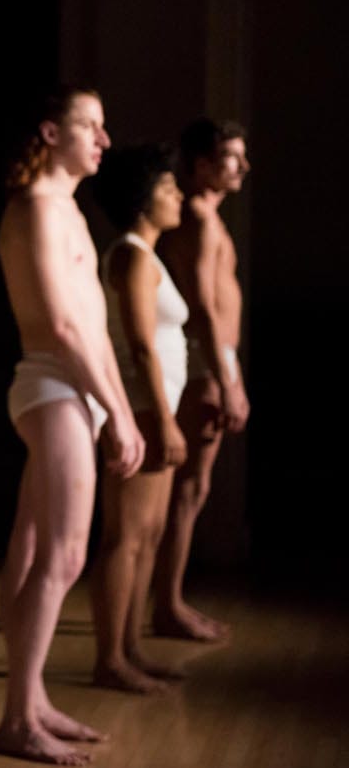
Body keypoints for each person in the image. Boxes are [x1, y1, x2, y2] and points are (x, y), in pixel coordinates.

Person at [0, 86, 144, 766]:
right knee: (64, 554)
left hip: (73, 388)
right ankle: (19, 715)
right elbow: (59, 324)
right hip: (52, 385)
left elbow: (95, 329)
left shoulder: (69, 211)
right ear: (52, 133)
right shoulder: (38, 208)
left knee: (33, 549)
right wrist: (111, 409)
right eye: (91, 126)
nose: (104, 140)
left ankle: (30, 699)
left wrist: (118, 405)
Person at [88, 143, 189, 693]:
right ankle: (110, 658)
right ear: (144, 199)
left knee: (148, 534)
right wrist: (164, 421)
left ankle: (130, 648)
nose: (178, 197)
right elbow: (141, 345)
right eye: (169, 189)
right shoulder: (129, 254)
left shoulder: (146, 254)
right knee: (125, 536)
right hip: (142, 408)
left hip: (157, 407)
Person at [151, 118, 251, 642]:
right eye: (232, 158)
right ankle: (166, 604)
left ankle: (168, 599)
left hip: (208, 360)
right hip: (203, 363)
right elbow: (206, 310)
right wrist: (229, 380)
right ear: (201, 165)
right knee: (188, 488)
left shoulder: (203, 216)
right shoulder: (199, 219)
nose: (244, 167)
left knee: (191, 488)